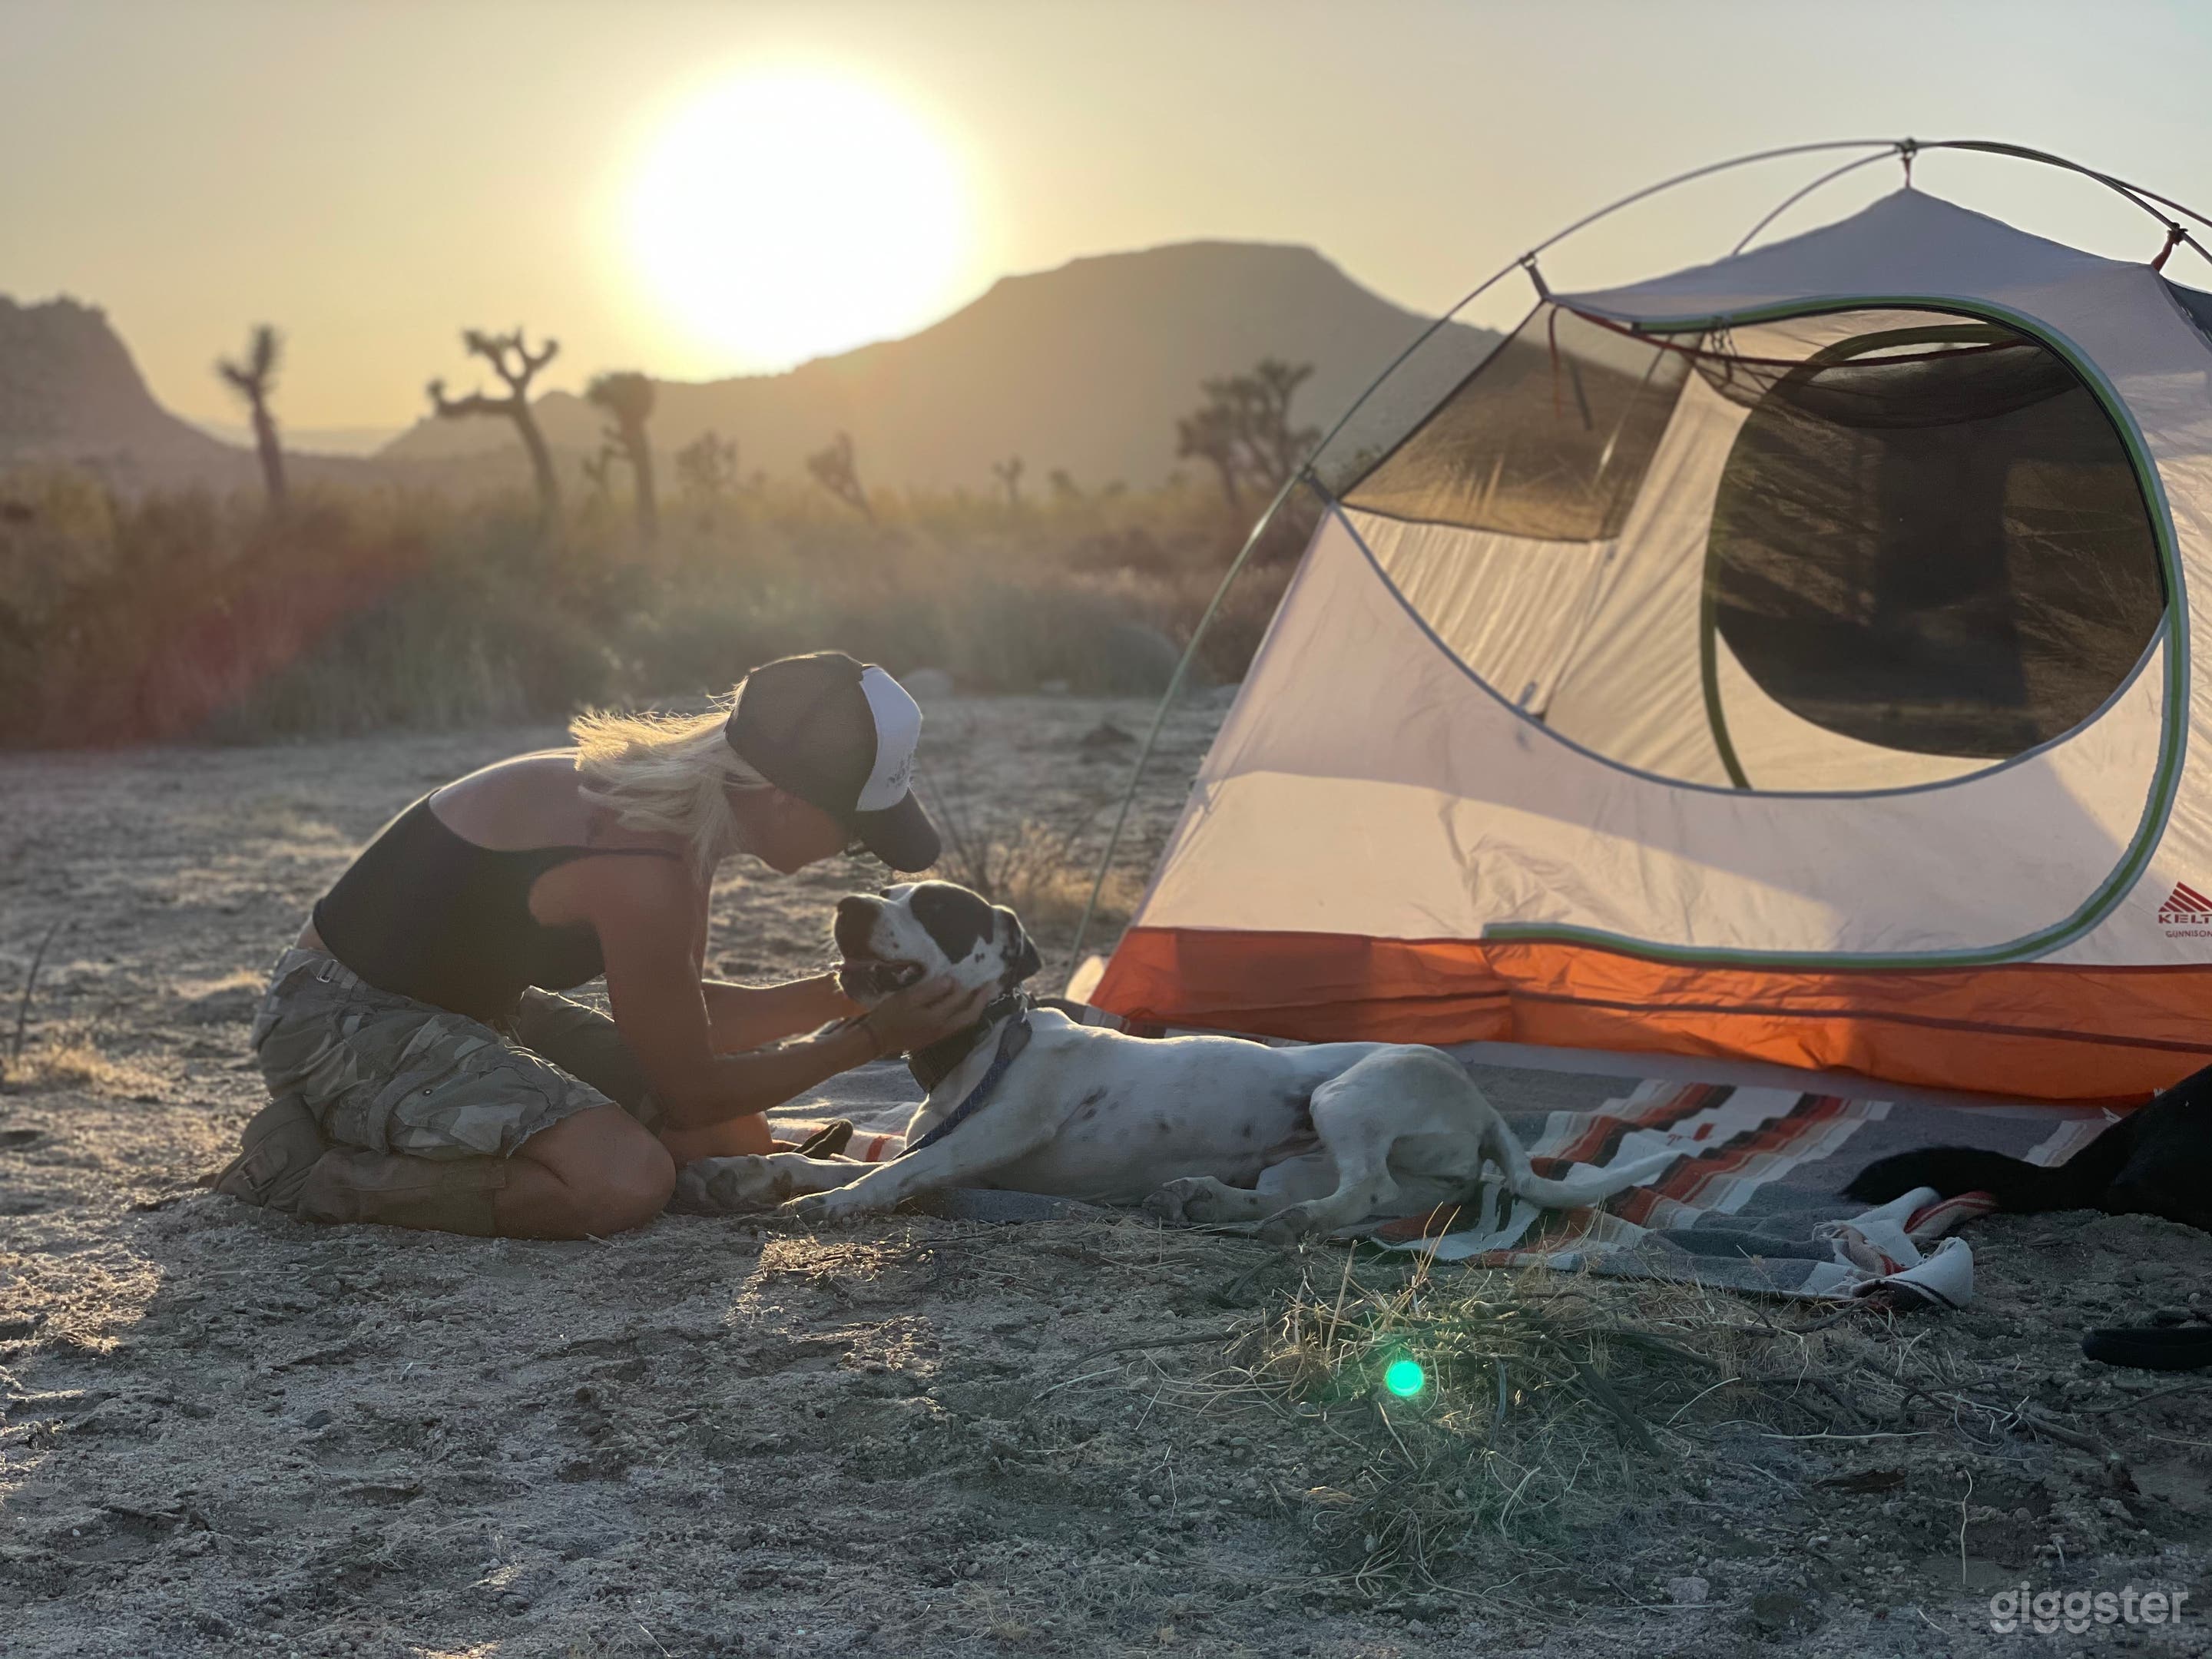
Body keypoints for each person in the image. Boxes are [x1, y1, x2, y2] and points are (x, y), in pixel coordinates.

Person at [212, 651, 991, 1240]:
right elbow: (691, 1083)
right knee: (622, 1180)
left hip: (471, 1010)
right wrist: (872, 1040)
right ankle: (312, 1173)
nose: (853, 852)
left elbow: (683, 1020)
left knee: (730, 1140)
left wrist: (847, 992)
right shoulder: (643, 864)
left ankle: (413, 1137)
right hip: (337, 1020)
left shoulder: (672, 819)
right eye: (857, 832)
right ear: (786, 802)